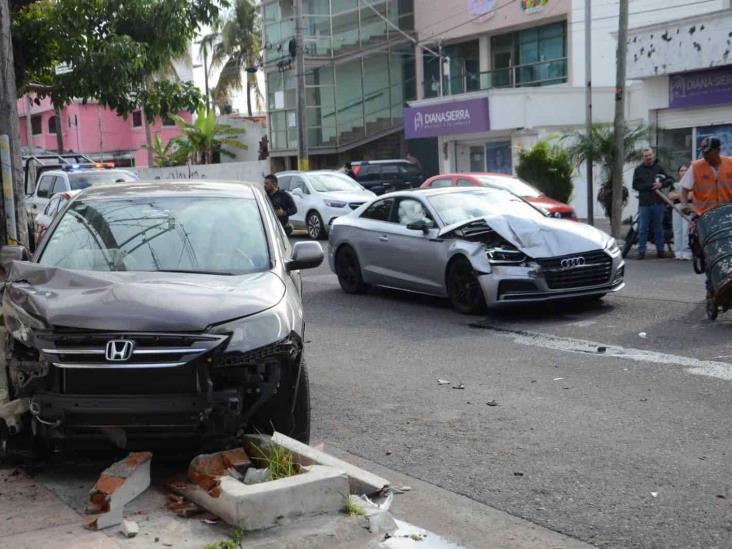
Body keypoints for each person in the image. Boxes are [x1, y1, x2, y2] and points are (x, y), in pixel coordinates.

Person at [680, 137, 732, 295]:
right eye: (703, 152)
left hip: (729, 216)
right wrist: (684, 205)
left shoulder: (730, 163)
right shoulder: (696, 167)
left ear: (717, 151)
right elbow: (684, 189)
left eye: (708, 152)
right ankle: (712, 289)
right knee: (710, 254)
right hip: (705, 219)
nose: (705, 156)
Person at [632, 147, 673, 259]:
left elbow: (670, 179)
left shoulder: (659, 167)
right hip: (644, 203)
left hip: (658, 202)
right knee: (643, 228)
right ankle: (641, 251)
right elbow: (635, 185)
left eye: (649, 155)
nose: (648, 157)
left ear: (653, 155)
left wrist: (661, 185)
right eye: (646, 156)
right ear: (643, 157)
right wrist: (649, 186)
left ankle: (660, 251)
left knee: (658, 227)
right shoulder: (638, 170)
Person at [668, 164, 692, 260]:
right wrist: (683, 195)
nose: (683, 172)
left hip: (688, 207)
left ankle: (687, 252)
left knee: (686, 230)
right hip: (676, 207)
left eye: (685, 170)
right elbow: (670, 196)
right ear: (678, 173)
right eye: (681, 170)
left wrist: (678, 195)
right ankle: (678, 252)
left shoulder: (692, 183)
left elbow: (691, 196)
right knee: (677, 230)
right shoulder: (674, 184)